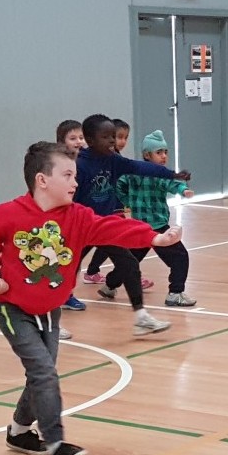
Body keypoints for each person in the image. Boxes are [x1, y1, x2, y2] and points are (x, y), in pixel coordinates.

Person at [0, 142, 183, 455]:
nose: (75, 182)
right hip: (14, 310)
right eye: (67, 175)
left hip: (50, 312)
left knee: (41, 376)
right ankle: (56, 445)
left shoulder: (78, 217)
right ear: (42, 180)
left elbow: (113, 228)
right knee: (43, 373)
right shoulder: (6, 214)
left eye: (75, 175)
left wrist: (154, 238)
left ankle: (19, 432)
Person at [74, 114, 190, 335]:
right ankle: (49, 313)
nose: (112, 141)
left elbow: (141, 167)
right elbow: (71, 200)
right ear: (90, 139)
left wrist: (172, 175)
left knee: (129, 264)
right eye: (106, 137)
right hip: (81, 226)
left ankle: (141, 317)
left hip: (105, 226)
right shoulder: (80, 165)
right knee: (66, 268)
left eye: (113, 136)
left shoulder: (113, 160)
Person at [116, 130, 196, 307]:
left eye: (165, 152)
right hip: (157, 227)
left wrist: (183, 190)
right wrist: (183, 190)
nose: (164, 156)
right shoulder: (158, 174)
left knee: (130, 261)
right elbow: (172, 183)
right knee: (180, 257)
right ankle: (175, 293)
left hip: (139, 227)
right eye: (159, 152)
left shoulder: (133, 173)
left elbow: (119, 185)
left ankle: (110, 285)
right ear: (147, 155)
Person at [83, 118, 154, 290]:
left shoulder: (116, 159)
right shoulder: (102, 159)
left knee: (108, 241)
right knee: (110, 241)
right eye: (118, 137)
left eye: (125, 137)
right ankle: (125, 275)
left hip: (115, 208)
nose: (121, 141)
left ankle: (94, 271)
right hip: (107, 210)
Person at [55, 120, 87, 318]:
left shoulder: (86, 162)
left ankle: (66, 294)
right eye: (72, 138)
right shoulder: (56, 164)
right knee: (60, 259)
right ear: (62, 141)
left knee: (73, 259)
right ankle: (58, 296)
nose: (78, 142)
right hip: (60, 219)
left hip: (79, 218)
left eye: (81, 138)